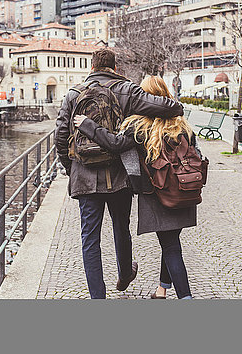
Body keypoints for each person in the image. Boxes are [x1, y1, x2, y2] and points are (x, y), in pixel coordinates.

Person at [55, 49, 184, 299]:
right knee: (120, 227)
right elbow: (168, 107)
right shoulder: (129, 90)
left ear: (92, 67)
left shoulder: (73, 94)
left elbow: (60, 137)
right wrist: (176, 106)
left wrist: (71, 169)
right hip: (120, 174)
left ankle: (97, 297)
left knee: (89, 237)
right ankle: (125, 274)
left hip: (85, 174)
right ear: (114, 67)